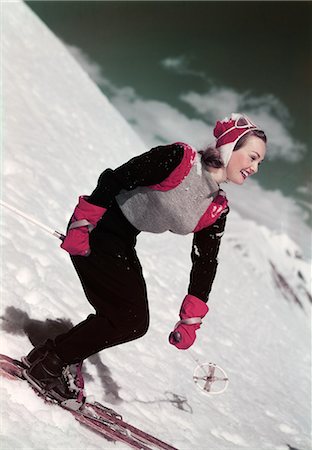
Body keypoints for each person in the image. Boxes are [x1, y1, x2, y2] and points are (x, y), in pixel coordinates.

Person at [22, 113, 267, 404]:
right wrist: (82, 223)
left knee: (128, 318)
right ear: (230, 146)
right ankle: (50, 365)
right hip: (96, 229)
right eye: (252, 157)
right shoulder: (179, 159)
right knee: (129, 319)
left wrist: (191, 317)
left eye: (259, 163)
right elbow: (115, 178)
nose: (254, 167)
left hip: (122, 241)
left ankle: (50, 356)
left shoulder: (215, 208)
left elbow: (205, 261)